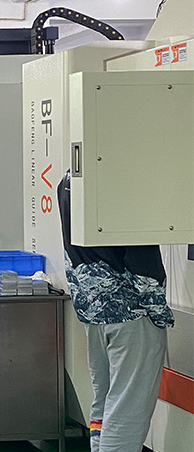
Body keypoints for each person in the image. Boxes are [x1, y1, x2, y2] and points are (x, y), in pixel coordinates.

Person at [58, 171, 173, 452]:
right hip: (132, 316)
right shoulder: (122, 181)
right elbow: (143, 264)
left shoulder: (68, 181)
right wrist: (159, 312)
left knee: (106, 401)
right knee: (126, 412)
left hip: (94, 313)